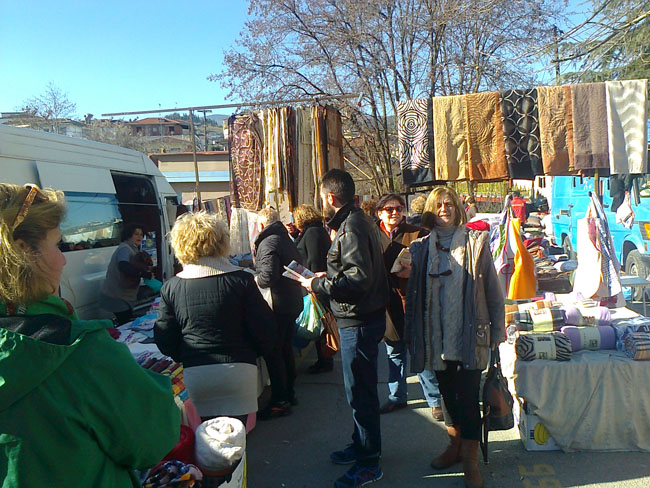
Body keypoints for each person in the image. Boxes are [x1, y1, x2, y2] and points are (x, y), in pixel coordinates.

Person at [0, 183, 180, 487]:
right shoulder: (79, 351)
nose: (63, 260)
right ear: (24, 252)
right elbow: (154, 438)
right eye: (56, 245)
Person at [404, 186, 504, 488]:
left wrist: (497, 330)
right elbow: (413, 293)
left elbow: (493, 291)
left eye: (449, 204)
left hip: (469, 334)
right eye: (438, 205)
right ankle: (454, 446)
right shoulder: (420, 248)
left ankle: (471, 463)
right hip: (435, 337)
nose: (444, 209)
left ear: (457, 208)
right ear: (430, 211)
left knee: (469, 398)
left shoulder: (476, 242)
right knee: (447, 397)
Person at [300, 169, 389, 488]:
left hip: (359, 321)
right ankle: (362, 446)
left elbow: (357, 280)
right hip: (362, 318)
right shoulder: (356, 221)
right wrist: (328, 277)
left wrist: (319, 284)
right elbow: (356, 272)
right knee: (359, 392)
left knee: (361, 393)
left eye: (321, 196)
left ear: (330, 197)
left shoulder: (351, 226)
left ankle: (369, 462)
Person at [154, 211, 277, 423]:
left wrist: (186, 356)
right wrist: (252, 353)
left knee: (209, 434)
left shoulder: (171, 287)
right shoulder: (242, 280)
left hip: (197, 373)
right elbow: (266, 328)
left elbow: (164, 336)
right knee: (236, 435)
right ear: (221, 242)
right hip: (239, 369)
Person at [374, 193, 443, 421]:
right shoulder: (371, 235)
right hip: (385, 302)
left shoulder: (417, 233)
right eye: (389, 209)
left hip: (412, 300)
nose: (394, 213)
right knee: (394, 351)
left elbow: (434, 264)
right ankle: (397, 396)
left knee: (419, 351)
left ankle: (434, 400)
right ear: (380, 213)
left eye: (398, 208)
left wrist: (413, 271)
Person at [254, 206, 304, 416]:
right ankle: (288, 393)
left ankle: (280, 399)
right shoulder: (284, 238)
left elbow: (267, 277)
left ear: (261, 224)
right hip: (290, 301)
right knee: (284, 349)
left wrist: (254, 279)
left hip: (279, 304)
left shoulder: (269, 241)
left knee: (275, 352)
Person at [293, 204, 334, 374]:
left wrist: (312, 283)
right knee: (319, 322)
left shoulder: (312, 233)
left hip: (314, 283)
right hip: (315, 283)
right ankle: (324, 359)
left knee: (320, 322)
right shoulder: (316, 231)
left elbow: (314, 259)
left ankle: (325, 359)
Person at [100, 223, 153, 324]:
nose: (139, 237)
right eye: (136, 234)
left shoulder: (133, 248)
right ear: (129, 235)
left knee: (127, 321)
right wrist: (142, 274)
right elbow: (123, 265)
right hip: (117, 296)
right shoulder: (125, 248)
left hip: (123, 296)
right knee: (126, 323)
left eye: (141, 235)